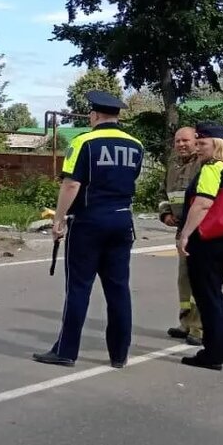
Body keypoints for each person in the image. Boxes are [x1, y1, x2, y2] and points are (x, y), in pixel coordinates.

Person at [33, 90, 144, 369]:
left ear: (93, 115)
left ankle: (66, 351)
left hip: (90, 221)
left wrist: (58, 220)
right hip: (122, 220)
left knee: (79, 287)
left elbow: (71, 184)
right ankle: (119, 354)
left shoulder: (83, 141)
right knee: (118, 289)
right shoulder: (136, 145)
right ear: (117, 116)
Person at [176, 122, 223, 371]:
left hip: (208, 241)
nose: (198, 147)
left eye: (202, 143)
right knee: (216, 296)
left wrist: (185, 235)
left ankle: (212, 353)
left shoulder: (213, 167)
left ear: (216, 145)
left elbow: (203, 204)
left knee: (207, 298)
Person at [159, 127, 202, 346]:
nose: (181, 145)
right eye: (177, 141)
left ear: (196, 141)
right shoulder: (173, 165)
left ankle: (199, 327)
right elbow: (163, 194)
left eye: (185, 140)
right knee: (184, 280)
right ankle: (186, 323)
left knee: (199, 281)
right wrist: (165, 213)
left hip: (201, 231)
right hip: (181, 231)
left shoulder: (203, 164)